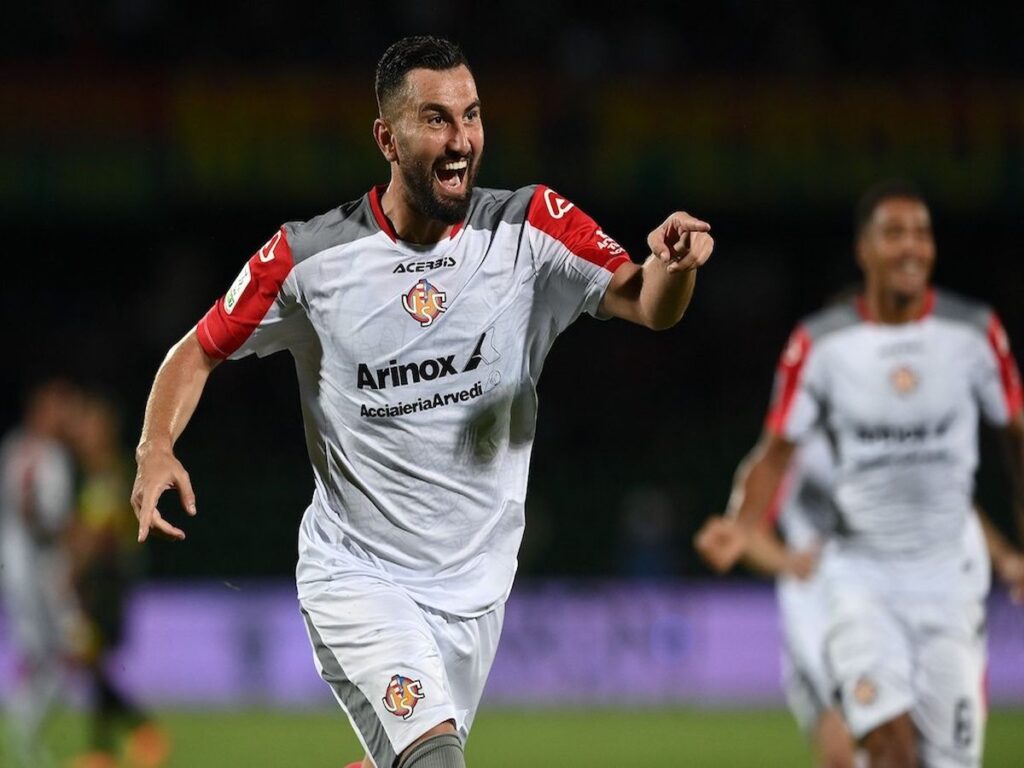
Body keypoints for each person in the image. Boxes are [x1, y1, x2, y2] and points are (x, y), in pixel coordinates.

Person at [130, 35, 713, 768]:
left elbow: (649, 303)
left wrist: (675, 265)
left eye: (472, 115)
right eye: (436, 119)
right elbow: (197, 349)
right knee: (435, 760)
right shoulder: (309, 259)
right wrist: (155, 446)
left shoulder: (531, 228)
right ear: (387, 138)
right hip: (359, 578)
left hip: (477, 592)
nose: (461, 139)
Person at [696, 179, 1024, 768]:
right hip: (860, 580)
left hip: (951, 581)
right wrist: (741, 526)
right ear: (863, 250)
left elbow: (1012, 442)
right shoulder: (821, 347)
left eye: (921, 233)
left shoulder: (975, 335)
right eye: (894, 233)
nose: (911, 246)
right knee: (879, 745)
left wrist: (1009, 554)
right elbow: (773, 455)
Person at [733, 426, 1024, 768]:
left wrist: (1004, 558)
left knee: (905, 744)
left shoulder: (895, 437)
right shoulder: (794, 445)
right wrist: (788, 561)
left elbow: (952, 502)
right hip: (815, 608)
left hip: (889, 594)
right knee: (842, 752)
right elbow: (748, 530)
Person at [69, 393, 170, 768]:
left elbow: (99, 535)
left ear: (104, 432)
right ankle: (105, 749)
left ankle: (133, 733)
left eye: (89, 427)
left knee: (92, 662)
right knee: (92, 665)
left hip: (106, 585)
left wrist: (71, 564)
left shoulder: (109, 476)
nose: (82, 434)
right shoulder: (96, 476)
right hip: (98, 584)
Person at [0, 378, 84, 768]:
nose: (64, 416)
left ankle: (24, 734)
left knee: (61, 650)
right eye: (59, 408)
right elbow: (35, 514)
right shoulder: (39, 454)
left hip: (34, 558)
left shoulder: (21, 448)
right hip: (31, 561)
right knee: (46, 652)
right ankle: (22, 736)